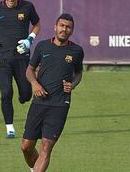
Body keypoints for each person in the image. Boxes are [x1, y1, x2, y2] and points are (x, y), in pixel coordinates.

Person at [21, 13, 84, 172]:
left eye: (68, 27)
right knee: (26, 147)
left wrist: (73, 85)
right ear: (55, 27)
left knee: (46, 147)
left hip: (60, 105)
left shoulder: (76, 51)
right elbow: (30, 69)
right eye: (62, 26)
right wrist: (34, 84)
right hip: (39, 102)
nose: (64, 29)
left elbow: (78, 73)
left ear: (72, 30)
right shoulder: (42, 46)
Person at [0, 0, 41, 138]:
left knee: (26, 95)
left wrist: (29, 39)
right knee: (6, 92)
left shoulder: (27, 7)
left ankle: (23, 96)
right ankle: (9, 127)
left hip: (21, 57)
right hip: (1, 57)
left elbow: (37, 24)